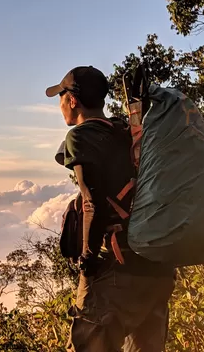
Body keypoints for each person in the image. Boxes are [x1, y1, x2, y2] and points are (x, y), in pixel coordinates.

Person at [45, 66, 176, 352]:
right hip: (156, 269)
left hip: (116, 272)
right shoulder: (127, 130)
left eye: (60, 96)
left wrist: (87, 262)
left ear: (73, 100)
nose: (60, 104)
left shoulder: (81, 137)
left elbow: (93, 203)